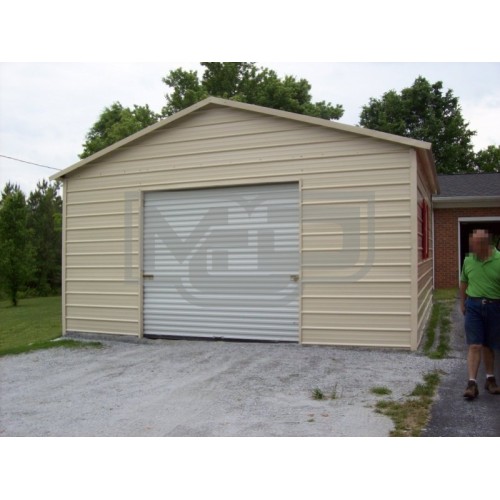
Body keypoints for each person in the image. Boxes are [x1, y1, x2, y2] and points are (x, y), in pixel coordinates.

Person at [460, 229, 500, 399]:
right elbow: (464, 282)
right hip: (474, 306)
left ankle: (490, 379)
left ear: (485, 244)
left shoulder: (499, 260)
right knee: (474, 345)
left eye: (476, 245)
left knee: (489, 345)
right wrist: (462, 303)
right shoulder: (469, 260)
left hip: (494, 306)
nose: (472, 248)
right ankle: (471, 383)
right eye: (472, 244)